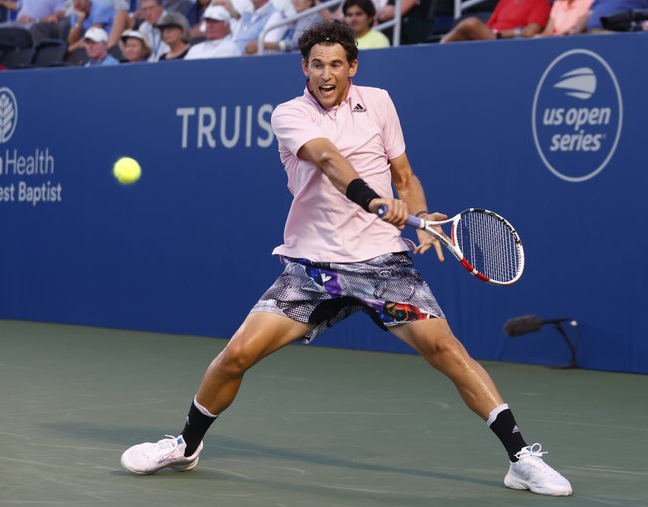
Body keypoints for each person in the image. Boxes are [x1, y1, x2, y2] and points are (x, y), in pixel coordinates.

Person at [120, 19, 573, 498]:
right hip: (313, 268)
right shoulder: (290, 114)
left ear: (352, 66)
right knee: (236, 355)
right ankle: (185, 445)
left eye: (336, 64)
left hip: (382, 263)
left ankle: (521, 459)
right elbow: (329, 161)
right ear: (305, 67)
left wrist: (416, 215)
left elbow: (403, 172)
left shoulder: (379, 102)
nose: (326, 74)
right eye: (317, 64)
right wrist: (377, 204)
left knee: (446, 350)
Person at [439, 0, 550, 42]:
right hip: (490, 40)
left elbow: (530, 32)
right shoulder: (505, 2)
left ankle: (440, 47)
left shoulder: (540, 2)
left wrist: (501, 34)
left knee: (471, 24)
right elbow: (489, 27)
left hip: (508, 45)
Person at [252, 0, 320, 53]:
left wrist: (264, 45)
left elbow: (294, 44)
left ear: (311, 1)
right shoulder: (297, 18)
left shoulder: (311, 17)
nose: (296, 1)